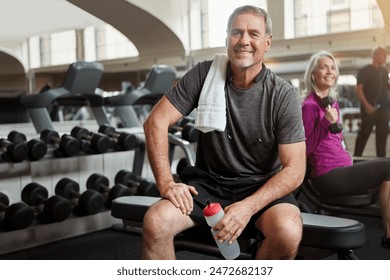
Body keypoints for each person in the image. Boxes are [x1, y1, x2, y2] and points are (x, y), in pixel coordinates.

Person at [142, 5, 306, 260]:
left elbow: (295, 169)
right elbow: (156, 122)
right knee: (156, 221)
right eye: (236, 32)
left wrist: (248, 207)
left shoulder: (283, 94)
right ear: (227, 37)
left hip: (261, 186)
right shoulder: (204, 74)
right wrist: (166, 183)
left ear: (267, 42)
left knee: (288, 231)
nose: (244, 41)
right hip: (210, 184)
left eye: (254, 33)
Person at [301, 50, 390, 248]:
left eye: (333, 68)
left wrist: (347, 156)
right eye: (323, 67)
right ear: (313, 74)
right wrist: (325, 122)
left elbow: (336, 141)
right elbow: (304, 150)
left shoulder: (332, 104)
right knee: (388, 166)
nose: (330, 71)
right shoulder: (309, 106)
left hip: (343, 170)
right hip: (327, 176)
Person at [354, 47, 389, 157]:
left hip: (384, 109)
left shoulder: (384, 71)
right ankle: (355, 159)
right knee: (363, 135)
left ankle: (381, 163)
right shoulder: (365, 70)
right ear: (374, 56)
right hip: (369, 109)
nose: (384, 58)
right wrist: (367, 105)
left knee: (382, 138)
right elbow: (359, 89)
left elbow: (385, 88)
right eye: (382, 55)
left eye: (385, 55)